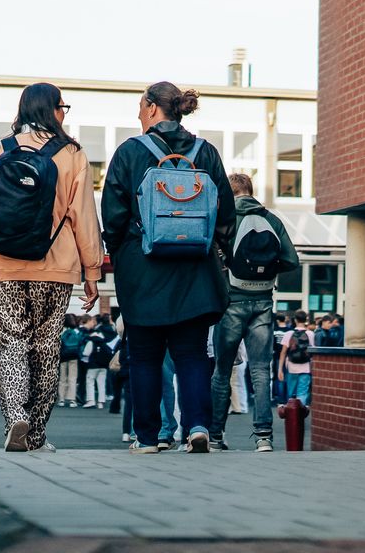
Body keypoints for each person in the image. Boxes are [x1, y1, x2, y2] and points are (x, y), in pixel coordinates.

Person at [0, 82, 104, 452]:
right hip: (55, 268)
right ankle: (37, 435)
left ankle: (15, 420)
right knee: (45, 348)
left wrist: (5, 219)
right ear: (51, 110)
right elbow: (84, 217)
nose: (63, 113)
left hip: (5, 265)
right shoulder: (72, 154)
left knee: (11, 346)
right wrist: (92, 272)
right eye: (62, 107)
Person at [101, 82, 235, 454]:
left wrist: (123, 253)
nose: (138, 115)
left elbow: (112, 215)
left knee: (144, 357)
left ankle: (146, 438)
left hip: (143, 271)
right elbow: (225, 213)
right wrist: (215, 250)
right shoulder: (204, 151)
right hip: (195, 270)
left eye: (140, 107)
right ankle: (197, 426)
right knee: (191, 354)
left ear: (151, 108)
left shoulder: (130, 152)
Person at [210, 172, 299, 452]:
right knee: (261, 371)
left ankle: (215, 436)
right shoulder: (271, 220)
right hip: (263, 300)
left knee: (222, 371)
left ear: (229, 191)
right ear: (251, 190)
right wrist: (268, 269)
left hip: (232, 300)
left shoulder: (224, 218)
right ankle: (263, 437)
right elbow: (291, 260)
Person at [277, 310, 316, 406]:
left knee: (291, 394)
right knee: (302, 393)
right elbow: (313, 352)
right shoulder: (310, 334)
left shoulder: (289, 334)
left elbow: (283, 352)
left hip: (291, 367)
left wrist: (280, 369)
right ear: (306, 320)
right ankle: (300, 416)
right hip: (306, 368)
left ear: (295, 320)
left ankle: (292, 414)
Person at [57, 315, 83, 407]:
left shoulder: (60, 330)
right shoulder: (76, 331)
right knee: (72, 378)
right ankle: (72, 400)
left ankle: (61, 399)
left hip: (63, 357)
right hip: (74, 356)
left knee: (62, 378)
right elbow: (81, 342)